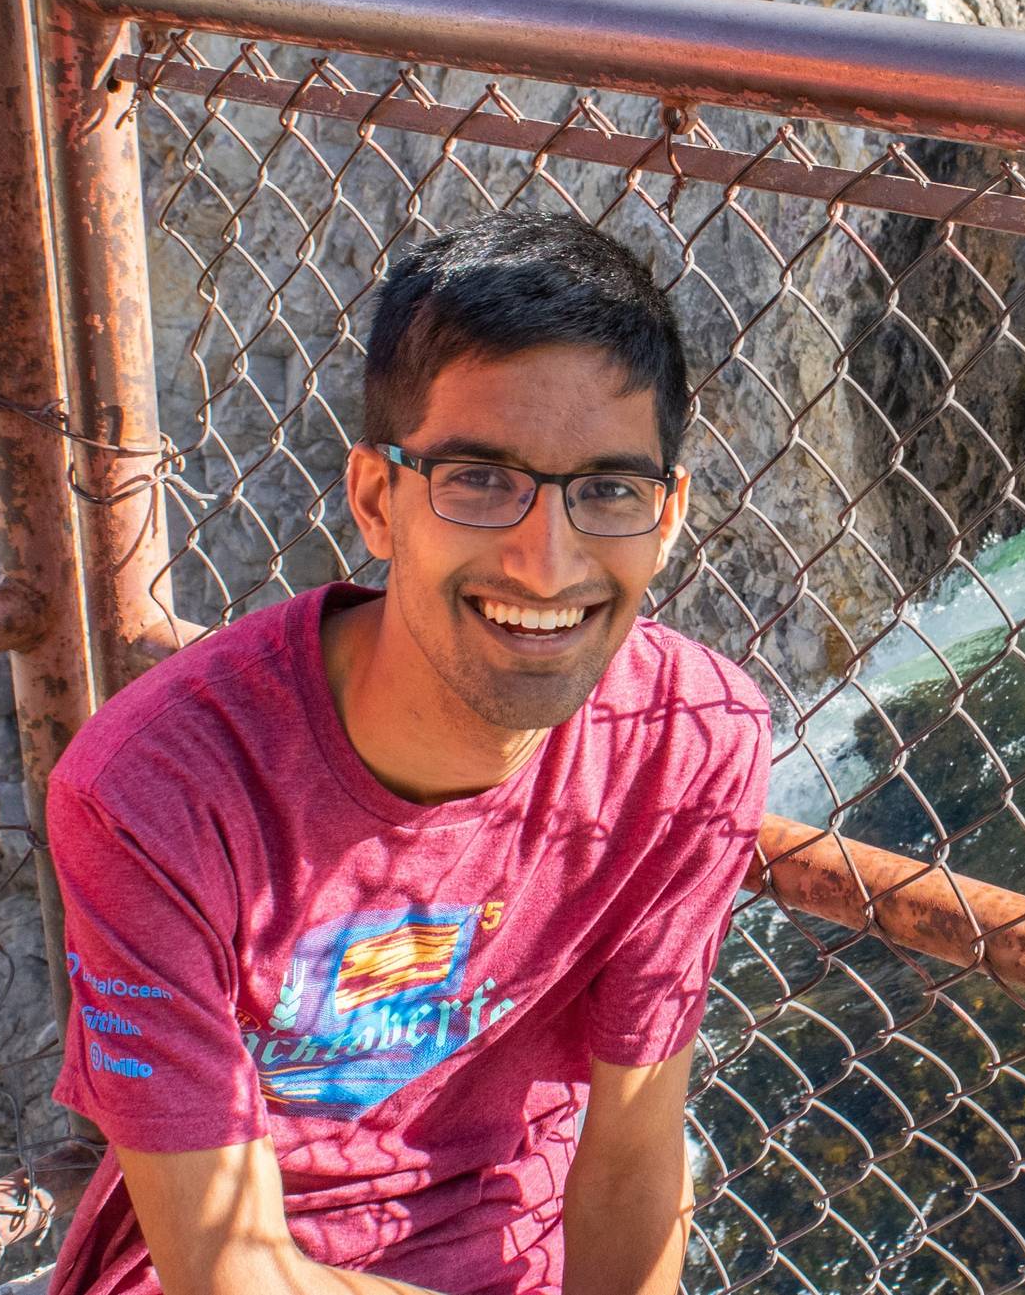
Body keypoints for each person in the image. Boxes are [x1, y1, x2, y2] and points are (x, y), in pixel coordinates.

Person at [45, 212, 771, 1295]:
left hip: (510, 1249)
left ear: (667, 518)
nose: (546, 562)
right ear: (377, 501)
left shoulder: (691, 739)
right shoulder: (156, 790)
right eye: (478, 479)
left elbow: (631, 1157)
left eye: (608, 490)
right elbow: (226, 1268)